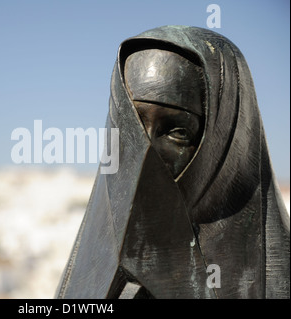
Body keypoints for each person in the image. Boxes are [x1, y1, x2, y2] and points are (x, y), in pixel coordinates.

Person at [56, 25, 290, 299]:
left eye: (176, 131)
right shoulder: (91, 270)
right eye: (132, 127)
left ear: (224, 140)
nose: (145, 152)